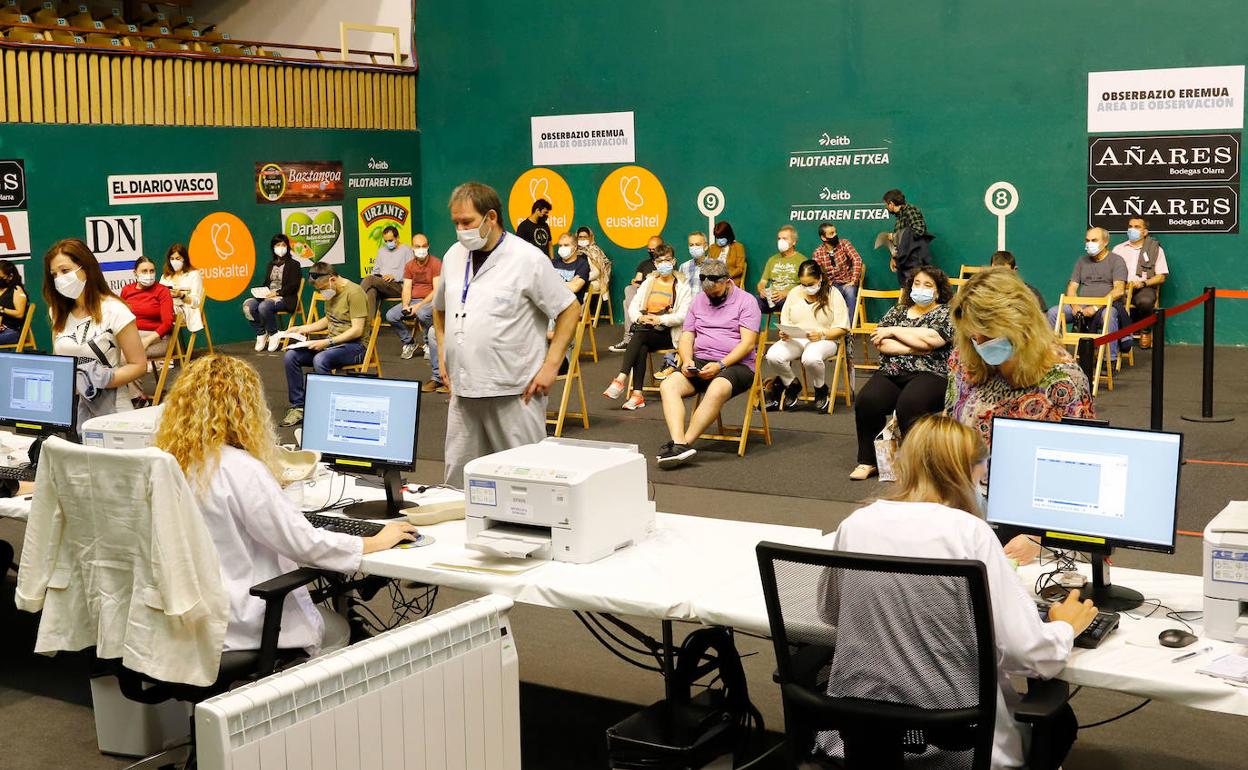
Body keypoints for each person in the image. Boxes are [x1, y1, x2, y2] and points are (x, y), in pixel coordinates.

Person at [829, 414, 1093, 770]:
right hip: (961, 747)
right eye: (982, 471)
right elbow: (1027, 653)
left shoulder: (855, 524)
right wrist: (1064, 627)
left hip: (865, 743)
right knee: (1061, 722)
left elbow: (831, 612)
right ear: (966, 472)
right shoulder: (970, 534)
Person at [153, 354, 417, 655]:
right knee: (341, 629)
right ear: (244, 408)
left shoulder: (170, 462)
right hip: (242, 622)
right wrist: (374, 540)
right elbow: (304, 544)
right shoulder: (240, 469)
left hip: (187, 619)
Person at [433, 182, 581, 487]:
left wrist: (551, 365)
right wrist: (444, 354)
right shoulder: (453, 256)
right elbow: (440, 307)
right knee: (459, 483)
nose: (460, 230)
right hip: (463, 392)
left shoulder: (527, 258)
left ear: (491, 217)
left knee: (524, 483)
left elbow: (570, 309)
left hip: (515, 391)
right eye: (456, 223)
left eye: (467, 222)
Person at [947, 267, 1096, 565]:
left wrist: (1040, 539)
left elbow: (1080, 478)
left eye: (988, 333)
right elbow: (949, 435)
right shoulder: (964, 362)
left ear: (1019, 325)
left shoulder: (1063, 380)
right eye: (972, 334)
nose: (979, 341)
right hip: (966, 508)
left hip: (1034, 521)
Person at [851, 266, 955, 480]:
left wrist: (894, 330)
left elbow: (933, 339)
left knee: (910, 405)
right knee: (867, 401)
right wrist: (916, 347)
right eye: (917, 283)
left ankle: (915, 465)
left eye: (927, 285)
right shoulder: (897, 311)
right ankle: (868, 461)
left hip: (931, 372)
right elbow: (882, 342)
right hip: (892, 370)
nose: (921, 288)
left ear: (937, 291)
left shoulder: (946, 313)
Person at [656, 259, 760, 467]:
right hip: (701, 359)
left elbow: (748, 344)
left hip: (737, 365)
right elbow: (687, 336)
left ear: (727, 282)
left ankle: (683, 445)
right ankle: (679, 442)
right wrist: (687, 360)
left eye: (715, 293)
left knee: (717, 387)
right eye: (708, 293)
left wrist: (721, 365)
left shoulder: (747, 301)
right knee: (668, 385)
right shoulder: (698, 300)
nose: (711, 297)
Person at [43, 238, 148, 419]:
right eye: (54, 274)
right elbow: (58, 361)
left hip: (111, 408)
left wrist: (96, 381)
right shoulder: (57, 311)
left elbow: (138, 366)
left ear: (86, 268)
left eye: (65, 271)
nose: (59, 279)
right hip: (70, 409)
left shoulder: (115, 310)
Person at [603, 244, 692, 411]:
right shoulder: (649, 282)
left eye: (667, 260)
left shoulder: (682, 286)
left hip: (668, 333)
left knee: (639, 336)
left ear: (673, 261)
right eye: (660, 261)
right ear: (655, 263)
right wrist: (640, 317)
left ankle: (621, 378)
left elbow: (683, 315)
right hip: (646, 330)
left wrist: (659, 319)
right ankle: (637, 395)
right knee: (641, 344)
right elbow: (634, 306)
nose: (664, 264)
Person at [279, 262, 368, 427]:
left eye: (322, 288)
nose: (321, 293)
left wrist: (327, 342)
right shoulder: (332, 291)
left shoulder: (355, 293)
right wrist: (303, 328)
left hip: (355, 347)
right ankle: (298, 407)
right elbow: (329, 319)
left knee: (320, 359)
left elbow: (357, 330)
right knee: (291, 356)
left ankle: (329, 408)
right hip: (332, 345)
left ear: (332, 279)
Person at [763, 260, 850, 412]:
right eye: (803, 284)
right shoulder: (794, 293)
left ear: (820, 278)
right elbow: (786, 320)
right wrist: (785, 332)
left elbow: (842, 328)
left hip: (826, 338)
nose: (807, 288)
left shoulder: (833, 294)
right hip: (796, 338)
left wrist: (822, 334)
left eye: (810, 284)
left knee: (810, 358)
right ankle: (792, 384)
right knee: (772, 356)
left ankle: (820, 388)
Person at [1045, 227, 1127, 359]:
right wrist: (1074, 306)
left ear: (1105, 242)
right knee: (1053, 313)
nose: (1089, 244)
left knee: (1109, 315)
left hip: (1105, 306)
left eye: (1094, 240)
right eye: (1087, 240)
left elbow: (1119, 290)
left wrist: (1095, 307)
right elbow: (1072, 287)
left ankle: (1109, 359)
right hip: (1082, 305)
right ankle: (1057, 355)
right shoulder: (1081, 261)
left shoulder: (1117, 261)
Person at [384, 233, 446, 386]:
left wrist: (418, 306)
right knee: (391, 315)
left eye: (424, 246)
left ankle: (428, 343)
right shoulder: (409, 266)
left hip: (430, 301)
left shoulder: (436, 263)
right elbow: (406, 288)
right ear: (412, 248)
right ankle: (409, 342)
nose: (421, 249)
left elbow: (436, 290)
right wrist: (406, 305)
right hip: (413, 300)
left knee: (422, 313)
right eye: (418, 246)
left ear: (428, 246)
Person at [1111, 216, 1168, 348]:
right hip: (1120, 287)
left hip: (1143, 287)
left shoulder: (1155, 249)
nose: (1132, 229)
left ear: (1145, 232)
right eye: (1130, 226)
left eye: (1137, 227)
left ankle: (1145, 331)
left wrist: (1143, 283)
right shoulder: (1118, 249)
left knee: (1146, 301)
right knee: (1110, 300)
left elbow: (1161, 277)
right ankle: (1118, 334)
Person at [119, 256, 175, 387]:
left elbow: (167, 323)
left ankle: (136, 395)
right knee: (109, 352)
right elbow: (121, 316)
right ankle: (129, 395)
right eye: (144, 271)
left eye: (152, 271)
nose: (149, 275)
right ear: (135, 273)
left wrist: (147, 340)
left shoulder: (162, 291)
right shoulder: (127, 290)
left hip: (157, 338)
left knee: (125, 356)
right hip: (132, 334)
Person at [244, 234, 303, 353]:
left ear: (287, 247)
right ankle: (261, 333)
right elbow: (267, 283)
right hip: (268, 296)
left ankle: (273, 333)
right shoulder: (271, 264)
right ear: (273, 247)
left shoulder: (294, 264)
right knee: (247, 306)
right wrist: (261, 292)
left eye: (283, 245)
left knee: (264, 306)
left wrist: (277, 293)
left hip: (285, 298)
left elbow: (294, 286)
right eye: (278, 245)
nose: (281, 247)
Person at [609, 235, 664, 353]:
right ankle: (636, 326)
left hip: (658, 296)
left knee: (626, 303)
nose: (651, 252)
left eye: (653, 249)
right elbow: (637, 280)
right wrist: (636, 282)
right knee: (629, 289)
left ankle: (630, 337)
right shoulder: (644, 264)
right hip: (642, 295)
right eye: (649, 249)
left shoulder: (666, 264)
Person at [361, 225, 414, 322]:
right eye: (385, 241)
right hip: (382, 284)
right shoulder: (381, 251)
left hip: (398, 286)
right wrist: (377, 276)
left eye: (390, 240)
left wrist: (395, 276)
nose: (388, 243)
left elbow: (412, 273)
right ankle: (367, 326)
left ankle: (354, 301)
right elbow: (375, 270)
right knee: (371, 291)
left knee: (370, 279)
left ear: (397, 238)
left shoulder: (407, 250)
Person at [883, 189, 933, 286]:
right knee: (905, 290)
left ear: (891, 204)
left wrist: (895, 236)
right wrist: (894, 258)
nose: (886, 207)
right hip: (903, 262)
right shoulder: (899, 218)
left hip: (915, 260)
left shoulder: (910, 210)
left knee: (916, 290)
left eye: (886, 204)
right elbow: (901, 243)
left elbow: (919, 230)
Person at [810, 222, 863, 313]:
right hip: (831, 285)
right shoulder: (818, 253)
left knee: (850, 292)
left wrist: (853, 281)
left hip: (847, 282)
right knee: (824, 295)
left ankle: (850, 322)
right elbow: (816, 272)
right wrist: (826, 283)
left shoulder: (844, 244)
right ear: (823, 238)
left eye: (835, 232)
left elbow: (857, 259)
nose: (835, 235)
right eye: (831, 233)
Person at [756, 225, 806, 314]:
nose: (781, 241)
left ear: (794, 242)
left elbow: (805, 286)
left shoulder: (802, 260)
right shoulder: (772, 259)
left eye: (784, 238)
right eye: (779, 239)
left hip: (789, 299)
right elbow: (762, 282)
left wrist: (786, 294)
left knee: (788, 304)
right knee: (752, 302)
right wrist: (761, 290)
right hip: (770, 299)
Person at [159, 242, 205, 335]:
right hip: (167, 307)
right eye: (172, 259)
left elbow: (196, 302)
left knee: (162, 310)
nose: (174, 261)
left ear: (184, 259)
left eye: (177, 258)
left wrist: (181, 296)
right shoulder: (165, 277)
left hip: (185, 310)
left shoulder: (194, 274)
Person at [551, 231, 591, 304]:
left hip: (572, 306)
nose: (562, 248)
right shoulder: (553, 263)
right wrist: (569, 283)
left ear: (575, 247)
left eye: (566, 245)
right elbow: (544, 285)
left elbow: (575, 288)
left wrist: (553, 282)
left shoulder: (583, 264)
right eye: (560, 245)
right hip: (552, 304)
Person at [574, 226, 611, 297]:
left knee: (581, 287)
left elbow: (597, 272)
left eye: (585, 237)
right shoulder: (573, 251)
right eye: (580, 237)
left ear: (590, 238)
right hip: (575, 280)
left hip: (594, 280)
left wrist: (582, 278)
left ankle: (582, 304)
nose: (582, 239)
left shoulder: (595, 251)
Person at [0, 259, 29, 346]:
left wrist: (2, 309)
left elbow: (20, 314)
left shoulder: (17, 290)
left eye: (0, 277)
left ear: (10, 276)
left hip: (12, 331)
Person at [710, 220, 747, 287]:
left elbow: (740, 268)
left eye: (721, 237)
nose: (719, 240)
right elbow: (709, 265)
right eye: (717, 237)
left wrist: (726, 276)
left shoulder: (738, 247)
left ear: (728, 235)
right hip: (714, 282)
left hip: (731, 281)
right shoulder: (713, 248)